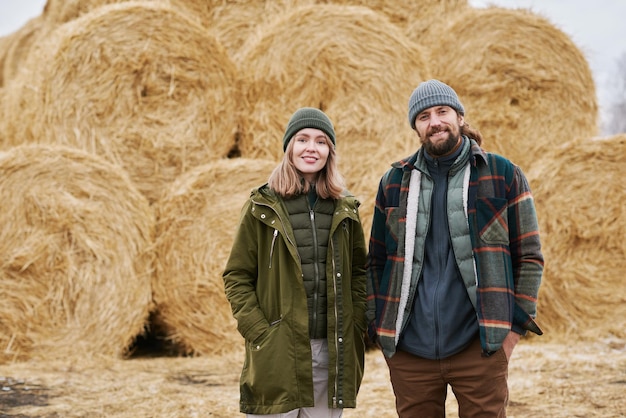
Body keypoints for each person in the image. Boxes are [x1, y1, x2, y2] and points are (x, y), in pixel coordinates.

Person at [365, 79, 544, 417]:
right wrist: (379, 326)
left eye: (442, 111)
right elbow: (375, 261)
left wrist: (513, 330)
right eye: (424, 116)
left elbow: (529, 256)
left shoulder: (502, 173)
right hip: (409, 352)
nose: (434, 122)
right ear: (416, 127)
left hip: (479, 347)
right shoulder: (393, 182)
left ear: (460, 117)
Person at [223, 107, 368, 417]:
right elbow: (237, 275)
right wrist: (259, 330)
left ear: (330, 151)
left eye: (321, 141)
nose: (311, 148)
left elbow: (359, 272)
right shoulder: (261, 205)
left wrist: (356, 323)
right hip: (278, 350)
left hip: (330, 352)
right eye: (302, 139)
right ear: (289, 147)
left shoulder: (346, 208)